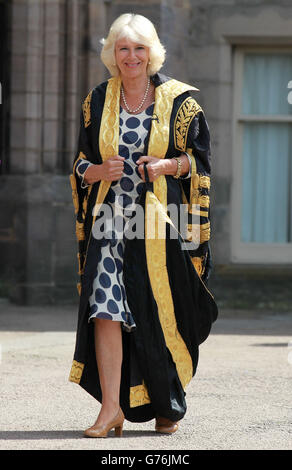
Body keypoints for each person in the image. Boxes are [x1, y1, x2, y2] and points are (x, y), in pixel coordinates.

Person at [68, 13, 218, 438]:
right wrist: (95, 172)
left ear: (152, 53)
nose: (131, 56)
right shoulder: (96, 101)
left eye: (139, 48)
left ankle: (165, 402)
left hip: (160, 227)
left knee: (155, 313)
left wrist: (168, 164)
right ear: (112, 54)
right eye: (123, 48)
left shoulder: (182, 103)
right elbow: (80, 163)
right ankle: (110, 409)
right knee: (105, 309)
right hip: (109, 222)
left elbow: (200, 163)